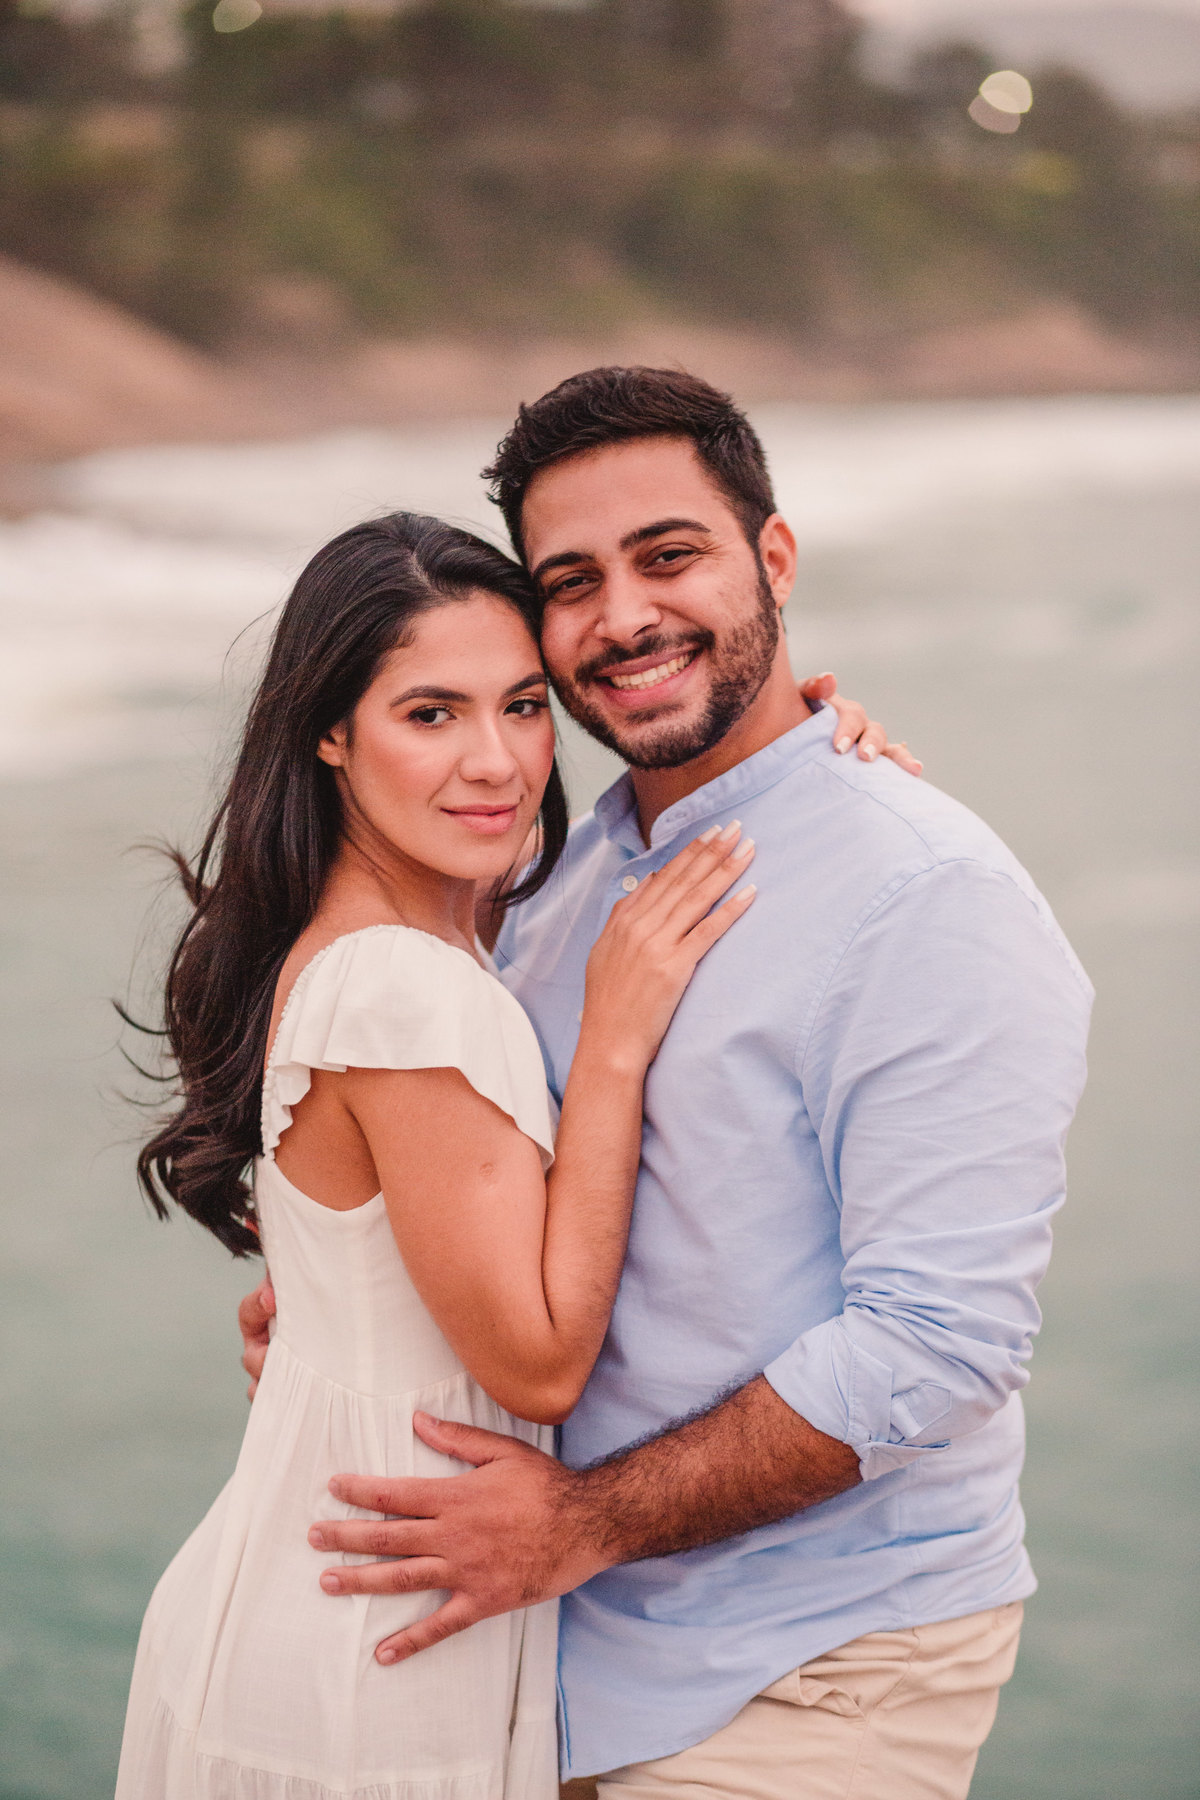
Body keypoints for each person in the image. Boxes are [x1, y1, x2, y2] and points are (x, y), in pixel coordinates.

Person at [240, 368, 1094, 1800]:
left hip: (814, 1671)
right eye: (570, 582)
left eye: (671, 556)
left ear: (773, 559)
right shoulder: (556, 877)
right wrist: (360, 1307)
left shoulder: (928, 895)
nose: (623, 617)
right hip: (549, 1660)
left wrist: (585, 1521)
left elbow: (936, 1350)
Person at [116, 511, 773, 1799]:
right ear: (329, 731)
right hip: (375, 1643)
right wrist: (616, 1048)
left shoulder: (379, 939)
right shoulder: (408, 988)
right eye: (431, 715)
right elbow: (535, 1362)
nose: (498, 761)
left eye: (524, 705)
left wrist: (815, 735)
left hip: (344, 1581)